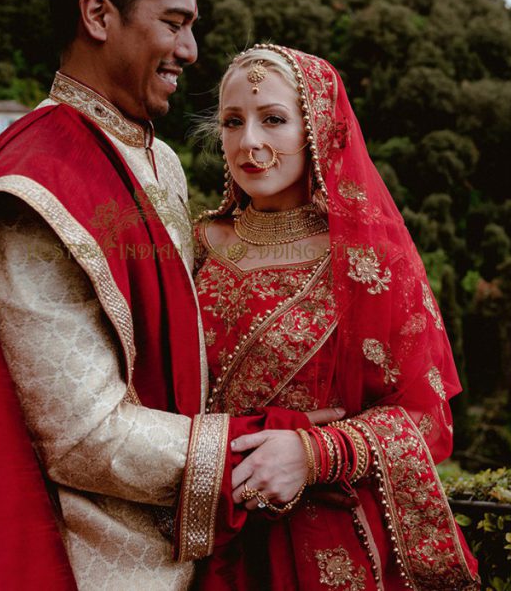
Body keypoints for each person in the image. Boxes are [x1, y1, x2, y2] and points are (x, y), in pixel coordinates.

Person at [0, 0, 333, 589]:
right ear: (99, 15)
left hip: (184, 551)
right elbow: (83, 436)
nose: (191, 48)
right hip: (82, 567)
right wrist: (262, 441)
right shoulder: (33, 186)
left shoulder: (158, 160)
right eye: (173, 21)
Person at [191, 44, 481, 590]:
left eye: (273, 120)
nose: (249, 143)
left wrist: (314, 452)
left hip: (322, 542)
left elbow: (425, 418)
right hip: (203, 526)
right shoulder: (198, 246)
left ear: (318, 130)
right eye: (233, 122)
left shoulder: (369, 257)